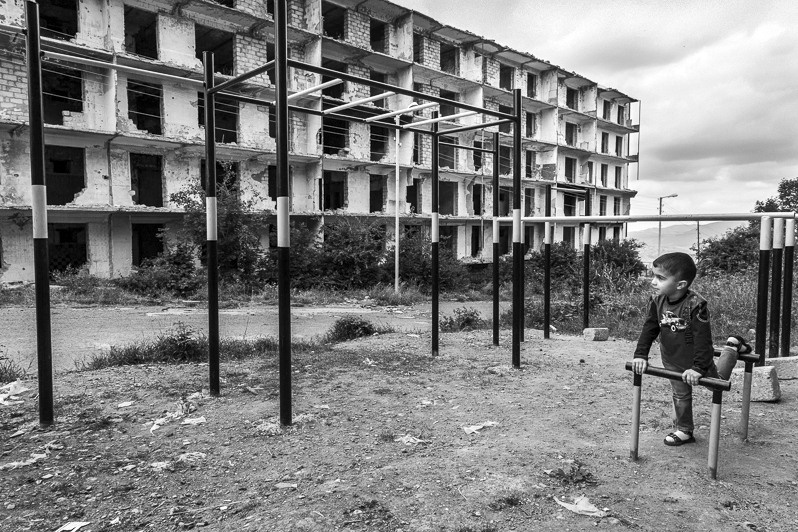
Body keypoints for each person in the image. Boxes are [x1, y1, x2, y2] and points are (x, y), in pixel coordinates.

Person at [630, 252, 751, 446]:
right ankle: (684, 430)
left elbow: (703, 340)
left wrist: (698, 368)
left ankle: (733, 346)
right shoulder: (657, 301)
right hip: (672, 358)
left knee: (716, 383)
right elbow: (650, 328)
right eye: (653, 276)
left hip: (696, 359)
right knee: (680, 394)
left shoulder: (695, 305)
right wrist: (640, 355)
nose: (653, 282)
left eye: (660, 278)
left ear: (680, 285)